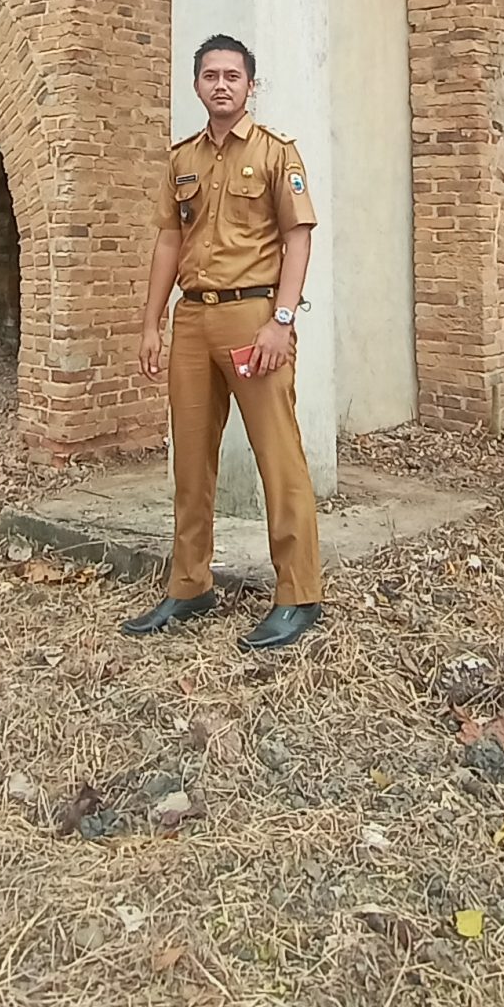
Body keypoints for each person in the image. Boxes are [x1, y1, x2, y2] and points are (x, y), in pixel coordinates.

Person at [122, 33, 323, 652]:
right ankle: (189, 584)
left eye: (233, 76)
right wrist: (152, 321)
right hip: (194, 321)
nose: (221, 85)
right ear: (197, 85)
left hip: (253, 320)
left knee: (277, 456)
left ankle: (298, 595)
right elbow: (166, 243)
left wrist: (281, 320)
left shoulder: (275, 155)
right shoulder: (181, 160)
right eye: (210, 75)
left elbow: (298, 239)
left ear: (250, 85)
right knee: (190, 460)